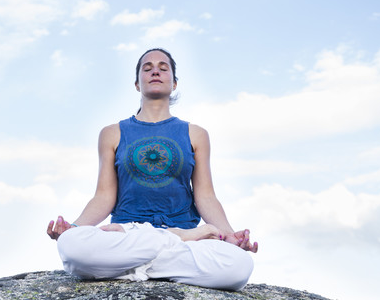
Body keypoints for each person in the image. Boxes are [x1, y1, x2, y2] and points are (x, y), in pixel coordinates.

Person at [47, 48, 258, 291]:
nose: (155, 70)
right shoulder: (112, 133)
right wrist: (72, 229)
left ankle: (133, 266)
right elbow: (104, 196)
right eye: (147, 68)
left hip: (182, 235)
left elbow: (206, 196)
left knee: (239, 266)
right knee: (71, 246)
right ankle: (167, 252)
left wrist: (229, 236)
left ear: (174, 82)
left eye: (162, 67)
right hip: (128, 232)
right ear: (137, 84)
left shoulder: (196, 134)